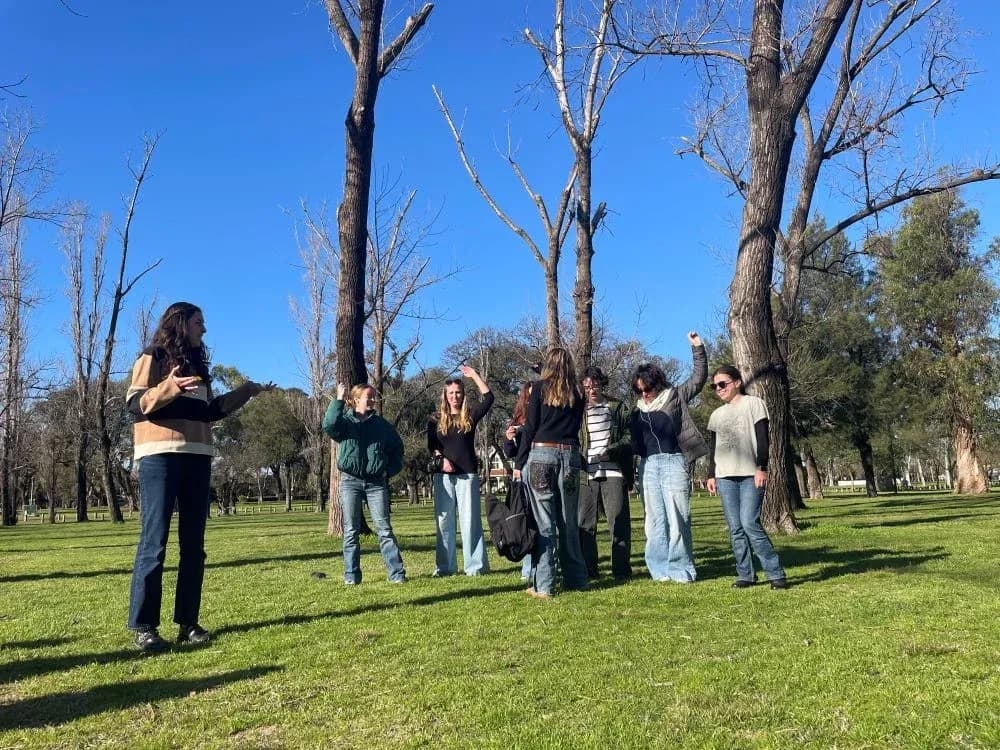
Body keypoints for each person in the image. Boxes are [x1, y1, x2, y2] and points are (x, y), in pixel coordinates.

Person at [125, 302, 274, 651]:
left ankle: (188, 623)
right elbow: (133, 405)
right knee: (154, 543)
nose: (203, 329)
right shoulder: (154, 355)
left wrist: (246, 392)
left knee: (194, 547)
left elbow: (208, 413)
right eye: (198, 322)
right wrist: (169, 388)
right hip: (159, 458)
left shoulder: (199, 367)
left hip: (199, 458)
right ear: (180, 323)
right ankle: (145, 627)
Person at [630, 332, 708, 583]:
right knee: (654, 520)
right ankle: (659, 569)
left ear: (657, 383)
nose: (644, 395)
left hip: (674, 462)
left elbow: (698, 379)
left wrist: (697, 348)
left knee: (678, 517)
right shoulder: (637, 409)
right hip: (648, 466)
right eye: (639, 391)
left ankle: (681, 568)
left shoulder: (675, 395)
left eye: (648, 389)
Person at [705, 365, 787, 589]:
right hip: (725, 477)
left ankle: (775, 573)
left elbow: (763, 439)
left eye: (723, 384)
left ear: (737, 382)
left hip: (750, 474)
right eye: (715, 386)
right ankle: (745, 574)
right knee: (735, 527)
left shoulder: (754, 404)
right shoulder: (716, 415)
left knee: (750, 522)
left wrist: (762, 467)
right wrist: (711, 475)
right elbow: (714, 449)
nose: (719, 388)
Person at [515, 347, 587, 599]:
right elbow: (576, 427)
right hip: (569, 456)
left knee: (543, 523)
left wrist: (519, 462)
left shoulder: (539, 389)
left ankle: (544, 585)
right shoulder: (578, 394)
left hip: (541, 455)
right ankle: (577, 579)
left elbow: (530, 427)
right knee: (568, 521)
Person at [324, 383, 406, 585]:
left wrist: (389, 470)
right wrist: (339, 400)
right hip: (350, 481)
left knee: (384, 529)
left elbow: (397, 449)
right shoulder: (345, 423)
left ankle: (397, 574)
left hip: (376, 483)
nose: (371, 400)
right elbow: (329, 425)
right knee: (351, 530)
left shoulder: (382, 426)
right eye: (367, 397)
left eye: (373, 397)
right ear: (355, 399)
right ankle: (351, 576)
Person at [427, 364, 494, 576]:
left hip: (468, 475)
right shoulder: (434, 418)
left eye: (458, 392)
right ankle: (445, 568)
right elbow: (431, 445)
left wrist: (474, 375)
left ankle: (475, 567)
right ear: (445, 396)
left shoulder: (471, 415)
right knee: (444, 522)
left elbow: (489, 398)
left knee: (470, 521)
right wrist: (441, 459)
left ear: (463, 395)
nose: (455, 396)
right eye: (451, 393)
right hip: (443, 477)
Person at [578, 365, 634, 581]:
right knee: (585, 524)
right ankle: (590, 570)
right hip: (587, 473)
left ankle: (621, 570)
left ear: (602, 385)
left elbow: (629, 437)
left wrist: (612, 450)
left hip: (613, 472)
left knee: (618, 521)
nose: (592, 390)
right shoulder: (578, 410)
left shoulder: (616, 407)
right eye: (587, 387)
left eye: (596, 385)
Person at [503, 382, 534, 579]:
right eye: (529, 396)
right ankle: (527, 567)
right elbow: (510, 452)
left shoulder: (544, 418)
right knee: (526, 520)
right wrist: (508, 438)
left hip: (541, 468)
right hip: (522, 472)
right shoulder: (518, 420)